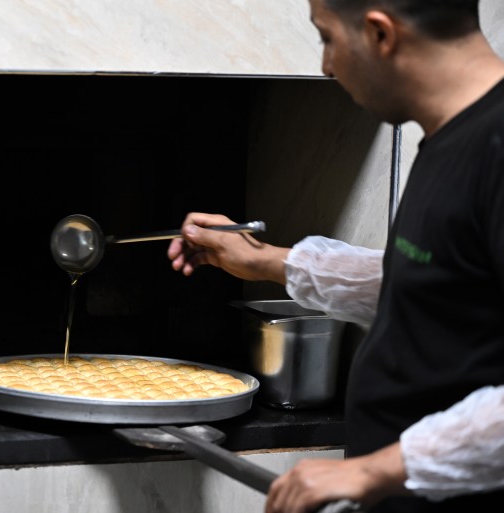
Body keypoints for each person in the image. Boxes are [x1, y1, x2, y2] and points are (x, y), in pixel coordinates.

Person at [167, 1, 504, 512]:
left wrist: (373, 470)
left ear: (379, 34)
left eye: (326, 37)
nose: (325, 64)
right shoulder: (454, 135)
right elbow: (441, 280)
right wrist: (265, 262)